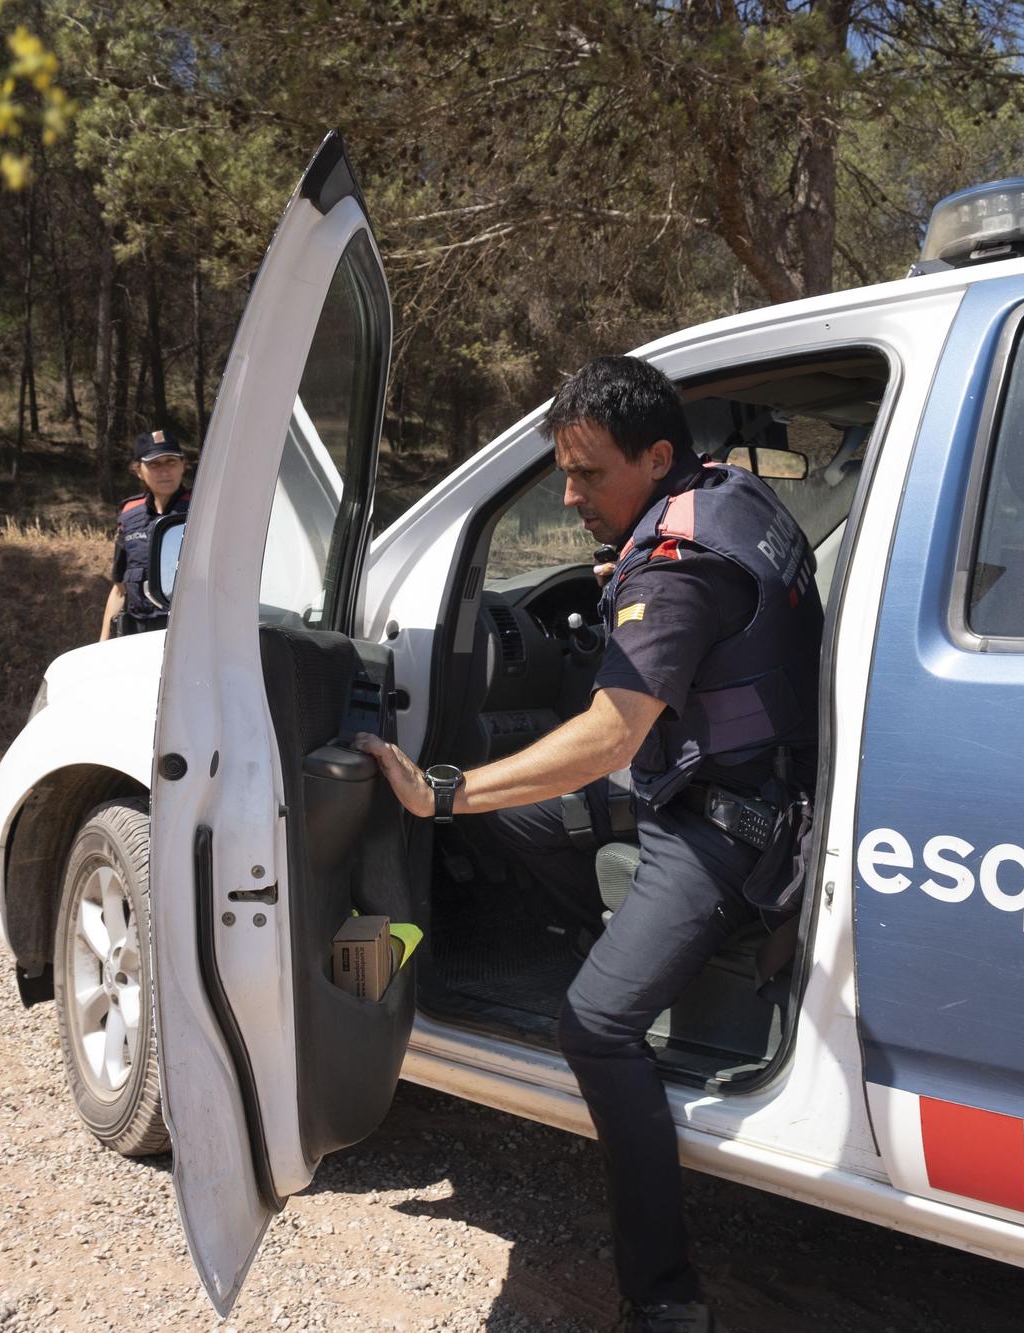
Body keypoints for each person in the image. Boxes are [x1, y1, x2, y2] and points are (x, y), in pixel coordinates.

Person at [356, 356, 823, 1332]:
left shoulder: (674, 563)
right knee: (524, 818)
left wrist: (446, 791)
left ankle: (664, 1297)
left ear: (656, 456)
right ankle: (598, 942)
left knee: (591, 1026)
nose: (569, 496)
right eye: (560, 472)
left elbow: (610, 733)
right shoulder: (727, 500)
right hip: (706, 779)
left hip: (722, 826)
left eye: (587, 474)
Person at [100, 429, 192, 641]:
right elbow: (120, 589)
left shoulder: (203, 511)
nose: (164, 471)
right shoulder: (129, 515)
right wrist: (103, 642)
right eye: (154, 464)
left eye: (171, 462)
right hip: (138, 638)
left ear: (182, 465)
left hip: (187, 636)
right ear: (138, 471)